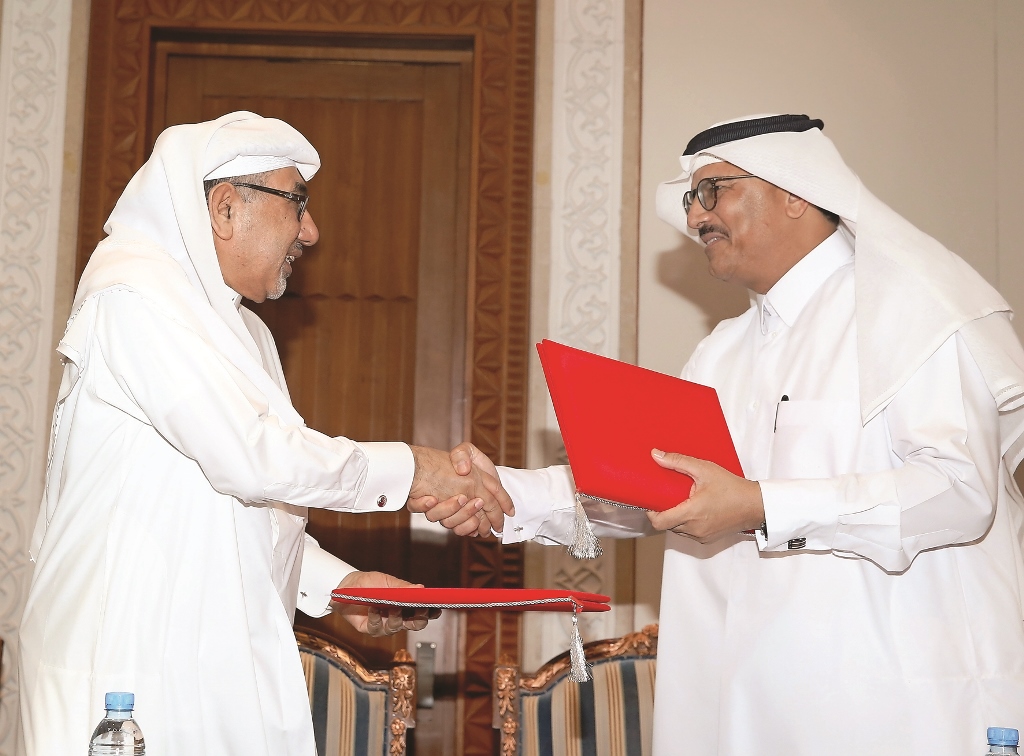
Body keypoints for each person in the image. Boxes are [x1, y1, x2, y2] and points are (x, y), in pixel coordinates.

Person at [440, 115, 1024, 753]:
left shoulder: (910, 308)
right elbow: (661, 489)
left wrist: (760, 505)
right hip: (743, 699)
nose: (695, 220)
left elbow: (958, 491)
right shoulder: (722, 351)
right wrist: (506, 497)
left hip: (885, 701)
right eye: (693, 199)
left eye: (713, 192)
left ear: (796, 190)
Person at [19, 112, 510, 756]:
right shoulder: (134, 293)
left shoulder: (245, 331)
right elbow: (251, 460)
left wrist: (339, 586)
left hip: (207, 659)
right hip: (125, 661)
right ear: (224, 209)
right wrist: (416, 470)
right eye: (297, 203)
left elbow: (247, 508)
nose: (312, 230)